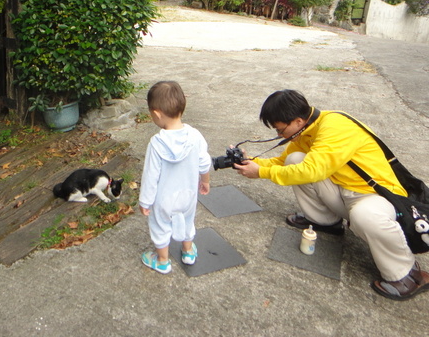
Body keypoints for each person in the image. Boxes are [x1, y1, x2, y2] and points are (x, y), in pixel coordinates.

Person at [235, 89, 429, 300]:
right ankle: (325, 221)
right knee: (295, 160)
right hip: (344, 193)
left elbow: (312, 171)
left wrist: (261, 173)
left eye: (281, 130)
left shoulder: (336, 127)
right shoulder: (306, 130)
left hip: (375, 197)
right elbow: (282, 163)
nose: (280, 135)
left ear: (298, 121)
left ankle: (408, 274)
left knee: (365, 215)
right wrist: (252, 162)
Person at [139, 81, 211, 274]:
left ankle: (162, 261)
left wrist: (145, 201)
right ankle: (188, 251)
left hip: (163, 200)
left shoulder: (156, 143)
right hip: (188, 195)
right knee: (188, 220)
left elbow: (150, 176)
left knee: (160, 226)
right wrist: (205, 181)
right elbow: (204, 162)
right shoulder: (195, 136)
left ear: (156, 113)